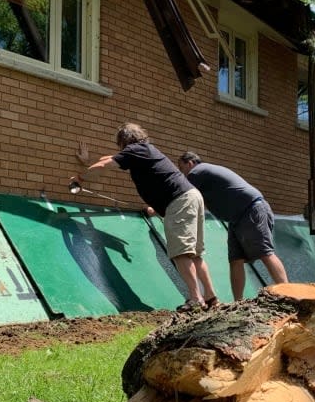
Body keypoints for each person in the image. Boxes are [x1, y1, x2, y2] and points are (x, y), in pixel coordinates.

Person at [74, 124, 219, 311]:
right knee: (195, 254)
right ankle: (210, 298)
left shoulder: (135, 150)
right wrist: (88, 163)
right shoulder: (144, 150)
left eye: (120, 145)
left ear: (124, 142)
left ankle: (195, 299)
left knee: (181, 252)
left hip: (179, 200)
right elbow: (108, 158)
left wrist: (80, 178)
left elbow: (105, 164)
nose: (120, 150)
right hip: (191, 197)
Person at [177, 151, 289, 299]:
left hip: (251, 209)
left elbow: (183, 194)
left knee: (265, 252)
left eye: (181, 168)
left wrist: (159, 208)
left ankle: (289, 295)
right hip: (236, 218)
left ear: (190, 163)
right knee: (235, 260)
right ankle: (238, 303)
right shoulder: (206, 177)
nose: (182, 173)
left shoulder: (197, 172)